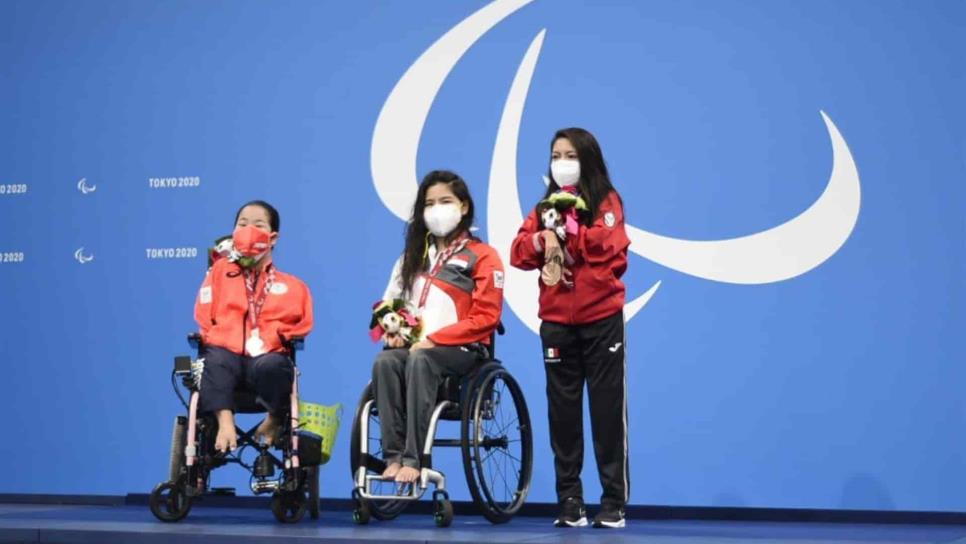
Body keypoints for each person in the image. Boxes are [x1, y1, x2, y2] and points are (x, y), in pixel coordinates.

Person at [510, 128, 630, 529]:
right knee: (562, 415)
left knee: (606, 411)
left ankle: (613, 501)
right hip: (557, 325)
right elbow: (518, 252)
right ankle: (570, 501)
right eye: (556, 154)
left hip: (601, 323)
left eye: (570, 155)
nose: (562, 162)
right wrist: (545, 238)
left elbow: (605, 246)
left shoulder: (606, 201)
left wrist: (569, 232)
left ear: (588, 159)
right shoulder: (545, 207)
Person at [371, 170, 504, 484]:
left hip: (465, 352)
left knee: (421, 358)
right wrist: (393, 331)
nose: (436, 209)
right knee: (386, 362)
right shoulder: (411, 258)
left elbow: (487, 317)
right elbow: (391, 304)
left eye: (445, 201)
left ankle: (414, 460)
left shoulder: (483, 256)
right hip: (418, 350)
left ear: (464, 207)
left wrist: (434, 339)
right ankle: (393, 456)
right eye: (429, 203)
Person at [194, 200, 313, 453]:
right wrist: (215, 336)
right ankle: (225, 423)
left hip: (265, 358)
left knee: (274, 365)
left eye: (258, 225)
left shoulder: (294, 286)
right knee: (213, 358)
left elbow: (304, 323)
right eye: (242, 224)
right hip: (225, 355)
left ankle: (273, 420)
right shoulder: (218, 273)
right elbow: (203, 314)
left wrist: (276, 338)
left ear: (273, 238)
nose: (248, 229)